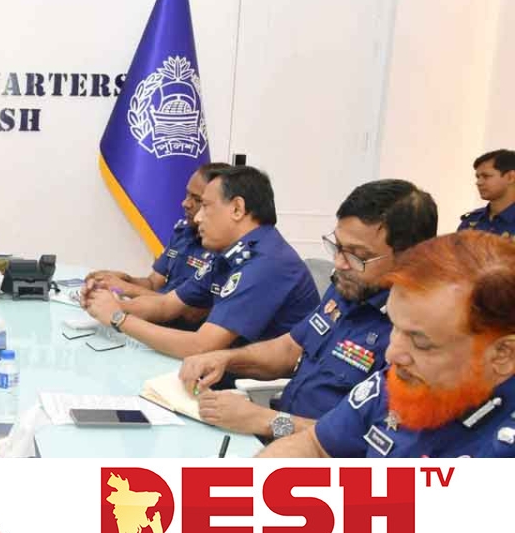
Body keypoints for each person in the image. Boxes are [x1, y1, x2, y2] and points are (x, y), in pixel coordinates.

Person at [179, 180, 438, 440]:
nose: (340, 263)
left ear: (410, 257)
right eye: (337, 247)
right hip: (278, 437)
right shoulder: (349, 287)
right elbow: (290, 349)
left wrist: (265, 421)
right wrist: (225, 359)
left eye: (358, 255)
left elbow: (368, 444)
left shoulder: (415, 336)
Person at [260, 231, 515, 458]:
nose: (392, 354)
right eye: (394, 326)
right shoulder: (399, 380)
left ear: (503, 355)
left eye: (421, 343)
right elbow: (315, 444)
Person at [83, 166, 319, 359]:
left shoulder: (267, 263)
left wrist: (119, 318)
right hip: (214, 370)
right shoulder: (229, 253)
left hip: (244, 387)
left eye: (205, 206)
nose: (197, 217)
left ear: (237, 209)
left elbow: (200, 346)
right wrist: (104, 303)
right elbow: (166, 305)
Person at [87, 162, 231, 300]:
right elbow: (153, 283)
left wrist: (125, 289)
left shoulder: (224, 250)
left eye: (198, 200)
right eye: (187, 195)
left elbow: (187, 309)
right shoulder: (183, 233)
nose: (185, 203)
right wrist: (123, 280)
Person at [458, 149, 515, 238]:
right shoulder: (471, 220)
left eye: (486, 176)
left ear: (510, 177)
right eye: (478, 177)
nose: (478, 182)